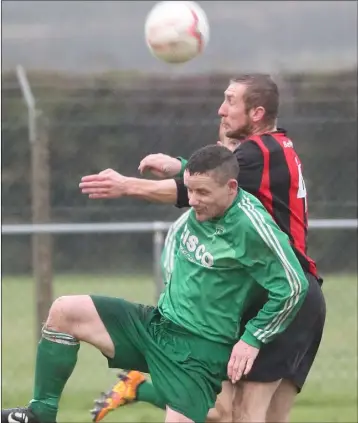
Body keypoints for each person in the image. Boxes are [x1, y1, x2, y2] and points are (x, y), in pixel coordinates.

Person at [79, 74, 326, 422]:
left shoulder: (259, 153)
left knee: (243, 414)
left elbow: (195, 189)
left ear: (256, 113)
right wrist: (180, 165)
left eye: (229, 101)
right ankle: (139, 389)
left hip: (284, 297)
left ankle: (138, 389)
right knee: (232, 411)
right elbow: (218, 176)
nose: (220, 109)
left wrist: (126, 185)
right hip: (292, 296)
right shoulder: (274, 147)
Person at [2, 145, 312, 423]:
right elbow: (178, 238)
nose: (192, 200)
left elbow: (294, 285)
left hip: (198, 353)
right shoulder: (202, 209)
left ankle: (141, 390)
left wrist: (252, 338)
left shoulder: (251, 225)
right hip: (157, 325)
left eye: (202, 193)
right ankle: (40, 413)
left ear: (231, 188)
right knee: (65, 311)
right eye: (189, 191)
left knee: (219, 412)